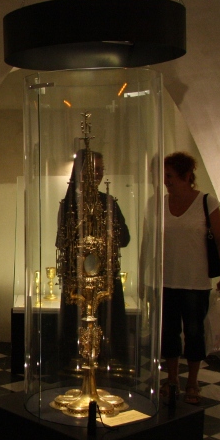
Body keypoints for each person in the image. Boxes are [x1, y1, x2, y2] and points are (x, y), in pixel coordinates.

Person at [161, 152, 220, 405]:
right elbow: (151, 241)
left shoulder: (206, 201)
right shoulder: (159, 203)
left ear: (186, 176)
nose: (166, 180)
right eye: (165, 175)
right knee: (168, 333)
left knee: (194, 333)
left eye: (170, 175)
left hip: (195, 281)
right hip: (166, 280)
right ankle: (172, 379)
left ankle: (192, 381)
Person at [55, 150, 131, 373]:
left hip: (105, 275)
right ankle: (73, 361)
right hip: (77, 277)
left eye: (100, 170)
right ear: (80, 172)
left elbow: (124, 238)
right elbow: (62, 241)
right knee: (74, 322)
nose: (97, 174)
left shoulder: (108, 202)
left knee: (110, 321)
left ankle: (110, 362)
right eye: (93, 169)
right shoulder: (69, 204)